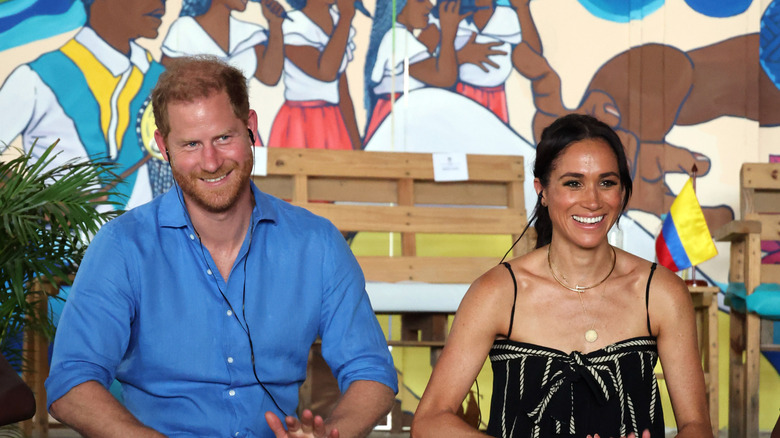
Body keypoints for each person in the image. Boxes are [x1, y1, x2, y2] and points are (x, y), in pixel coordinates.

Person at [45, 56, 398, 438]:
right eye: (191, 144)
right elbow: (71, 382)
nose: (210, 162)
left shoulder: (317, 243)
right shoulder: (121, 245)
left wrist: (334, 433)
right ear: (164, 146)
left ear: (250, 128)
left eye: (224, 138)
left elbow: (371, 372)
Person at [412, 114, 712, 437]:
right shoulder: (498, 293)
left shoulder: (662, 293)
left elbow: (697, 427)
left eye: (607, 182)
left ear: (622, 191)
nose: (593, 200)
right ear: (542, 190)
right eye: (573, 183)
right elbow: (429, 422)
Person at [0, 0, 172, 209]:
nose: (161, 3)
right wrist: (36, 205)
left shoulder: (163, 81)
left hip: (145, 240)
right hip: (61, 241)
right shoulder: (36, 78)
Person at [268, 0, 361, 149]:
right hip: (300, 120)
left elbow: (341, 89)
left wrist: (357, 145)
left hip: (334, 119)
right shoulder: (293, 24)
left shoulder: (337, 21)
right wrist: (347, 16)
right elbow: (325, 72)